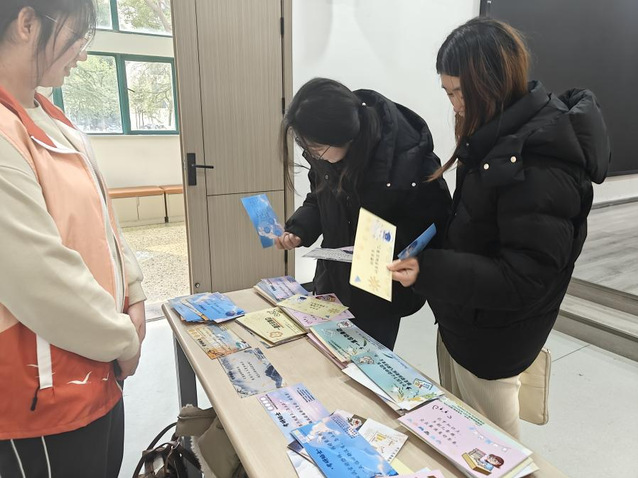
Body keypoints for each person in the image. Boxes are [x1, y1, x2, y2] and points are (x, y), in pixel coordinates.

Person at [388, 17, 610, 437]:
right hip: (464, 319)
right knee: (458, 435)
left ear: (491, 82)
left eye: (459, 92)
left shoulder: (541, 162)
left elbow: (526, 279)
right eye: (447, 92)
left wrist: (430, 270)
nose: (454, 105)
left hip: (492, 338)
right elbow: (476, 225)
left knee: (491, 451)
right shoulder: (494, 136)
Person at [0, 1, 146, 476]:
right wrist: (123, 339)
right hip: (41, 398)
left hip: (97, 373)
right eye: (77, 36)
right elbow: (39, 277)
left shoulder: (52, 118)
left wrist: (135, 291)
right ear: (26, 23)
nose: (82, 54)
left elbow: (104, 223)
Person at [277, 78, 451, 349]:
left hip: (380, 289)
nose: (314, 155)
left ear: (345, 136)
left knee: (368, 362)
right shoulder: (326, 153)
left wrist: (396, 252)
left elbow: (435, 224)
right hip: (333, 280)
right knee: (326, 357)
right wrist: (299, 228)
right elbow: (319, 199)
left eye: (317, 148)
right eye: (306, 147)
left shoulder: (408, 161)